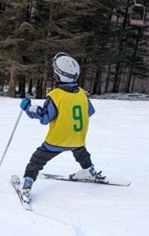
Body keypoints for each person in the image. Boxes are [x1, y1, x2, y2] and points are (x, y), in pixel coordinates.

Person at [18, 52, 105, 198]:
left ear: (58, 76)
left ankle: (27, 182)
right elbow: (89, 111)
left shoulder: (56, 95)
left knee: (37, 160)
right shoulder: (82, 93)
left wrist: (28, 108)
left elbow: (45, 117)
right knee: (82, 154)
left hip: (57, 140)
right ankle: (90, 171)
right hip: (77, 139)